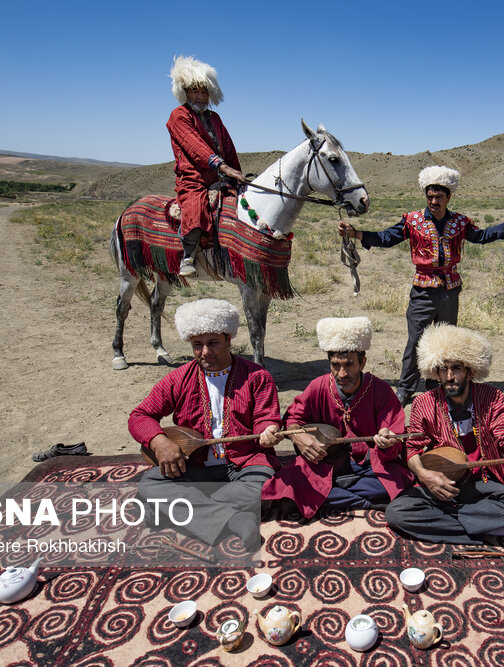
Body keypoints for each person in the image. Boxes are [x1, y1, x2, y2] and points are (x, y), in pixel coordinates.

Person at [338, 166, 504, 406]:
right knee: (415, 341)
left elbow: (481, 236)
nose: (433, 201)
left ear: (448, 197)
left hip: (450, 290)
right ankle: (405, 388)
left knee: (444, 342)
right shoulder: (412, 220)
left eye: (438, 197)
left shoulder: (460, 222)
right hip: (423, 289)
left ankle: (437, 384)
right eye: (430, 197)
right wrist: (356, 233)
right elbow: (386, 238)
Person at [131, 299, 283, 552]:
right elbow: (140, 416)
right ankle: (235, 518)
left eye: (213, 343)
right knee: (151, 483)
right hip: (195, 467)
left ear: (228, 339)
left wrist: (268, 429)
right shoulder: (178, 378)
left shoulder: (257, 376)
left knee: (267, 486)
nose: (205, 352)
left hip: (245, 464)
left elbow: (266, 418)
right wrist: (159, 442)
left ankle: (177, 509)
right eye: (197, 345)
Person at [385, 324, 504, 545]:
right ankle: (491, 528)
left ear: (470, 370)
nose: (449, 376)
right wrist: (425, 475)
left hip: (484, 481)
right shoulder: (423, 402)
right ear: (434, 371)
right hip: (443, 482)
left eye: (456, 368)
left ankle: (459, 525)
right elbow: (412, 447)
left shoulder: (491, 397)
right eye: (442, 369)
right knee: (397, 513)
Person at [262, 316, 413, 517]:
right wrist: (298, 436)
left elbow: (395, 435)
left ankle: (330, 497)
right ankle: (362, 501)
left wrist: (388, 440)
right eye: (335, 365)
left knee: (398, 482)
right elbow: (291, 419)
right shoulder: (319, 386)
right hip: (328, 464)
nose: (342, 373)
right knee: (287, 481)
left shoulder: (380, 390)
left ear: (363, 362)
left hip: (369, 467)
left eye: (349, 364)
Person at [167, 56, 246, 278]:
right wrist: (222, 166)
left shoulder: (215, 118)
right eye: (194, 91)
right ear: (186, 92)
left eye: (204, 92)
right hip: (194, 177)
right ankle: (187, 256)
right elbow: (195, 148)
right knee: (195, 206)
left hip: (219, 177)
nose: (200, 97)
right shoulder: (179, 116)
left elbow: (228, 147)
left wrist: (236, 172)